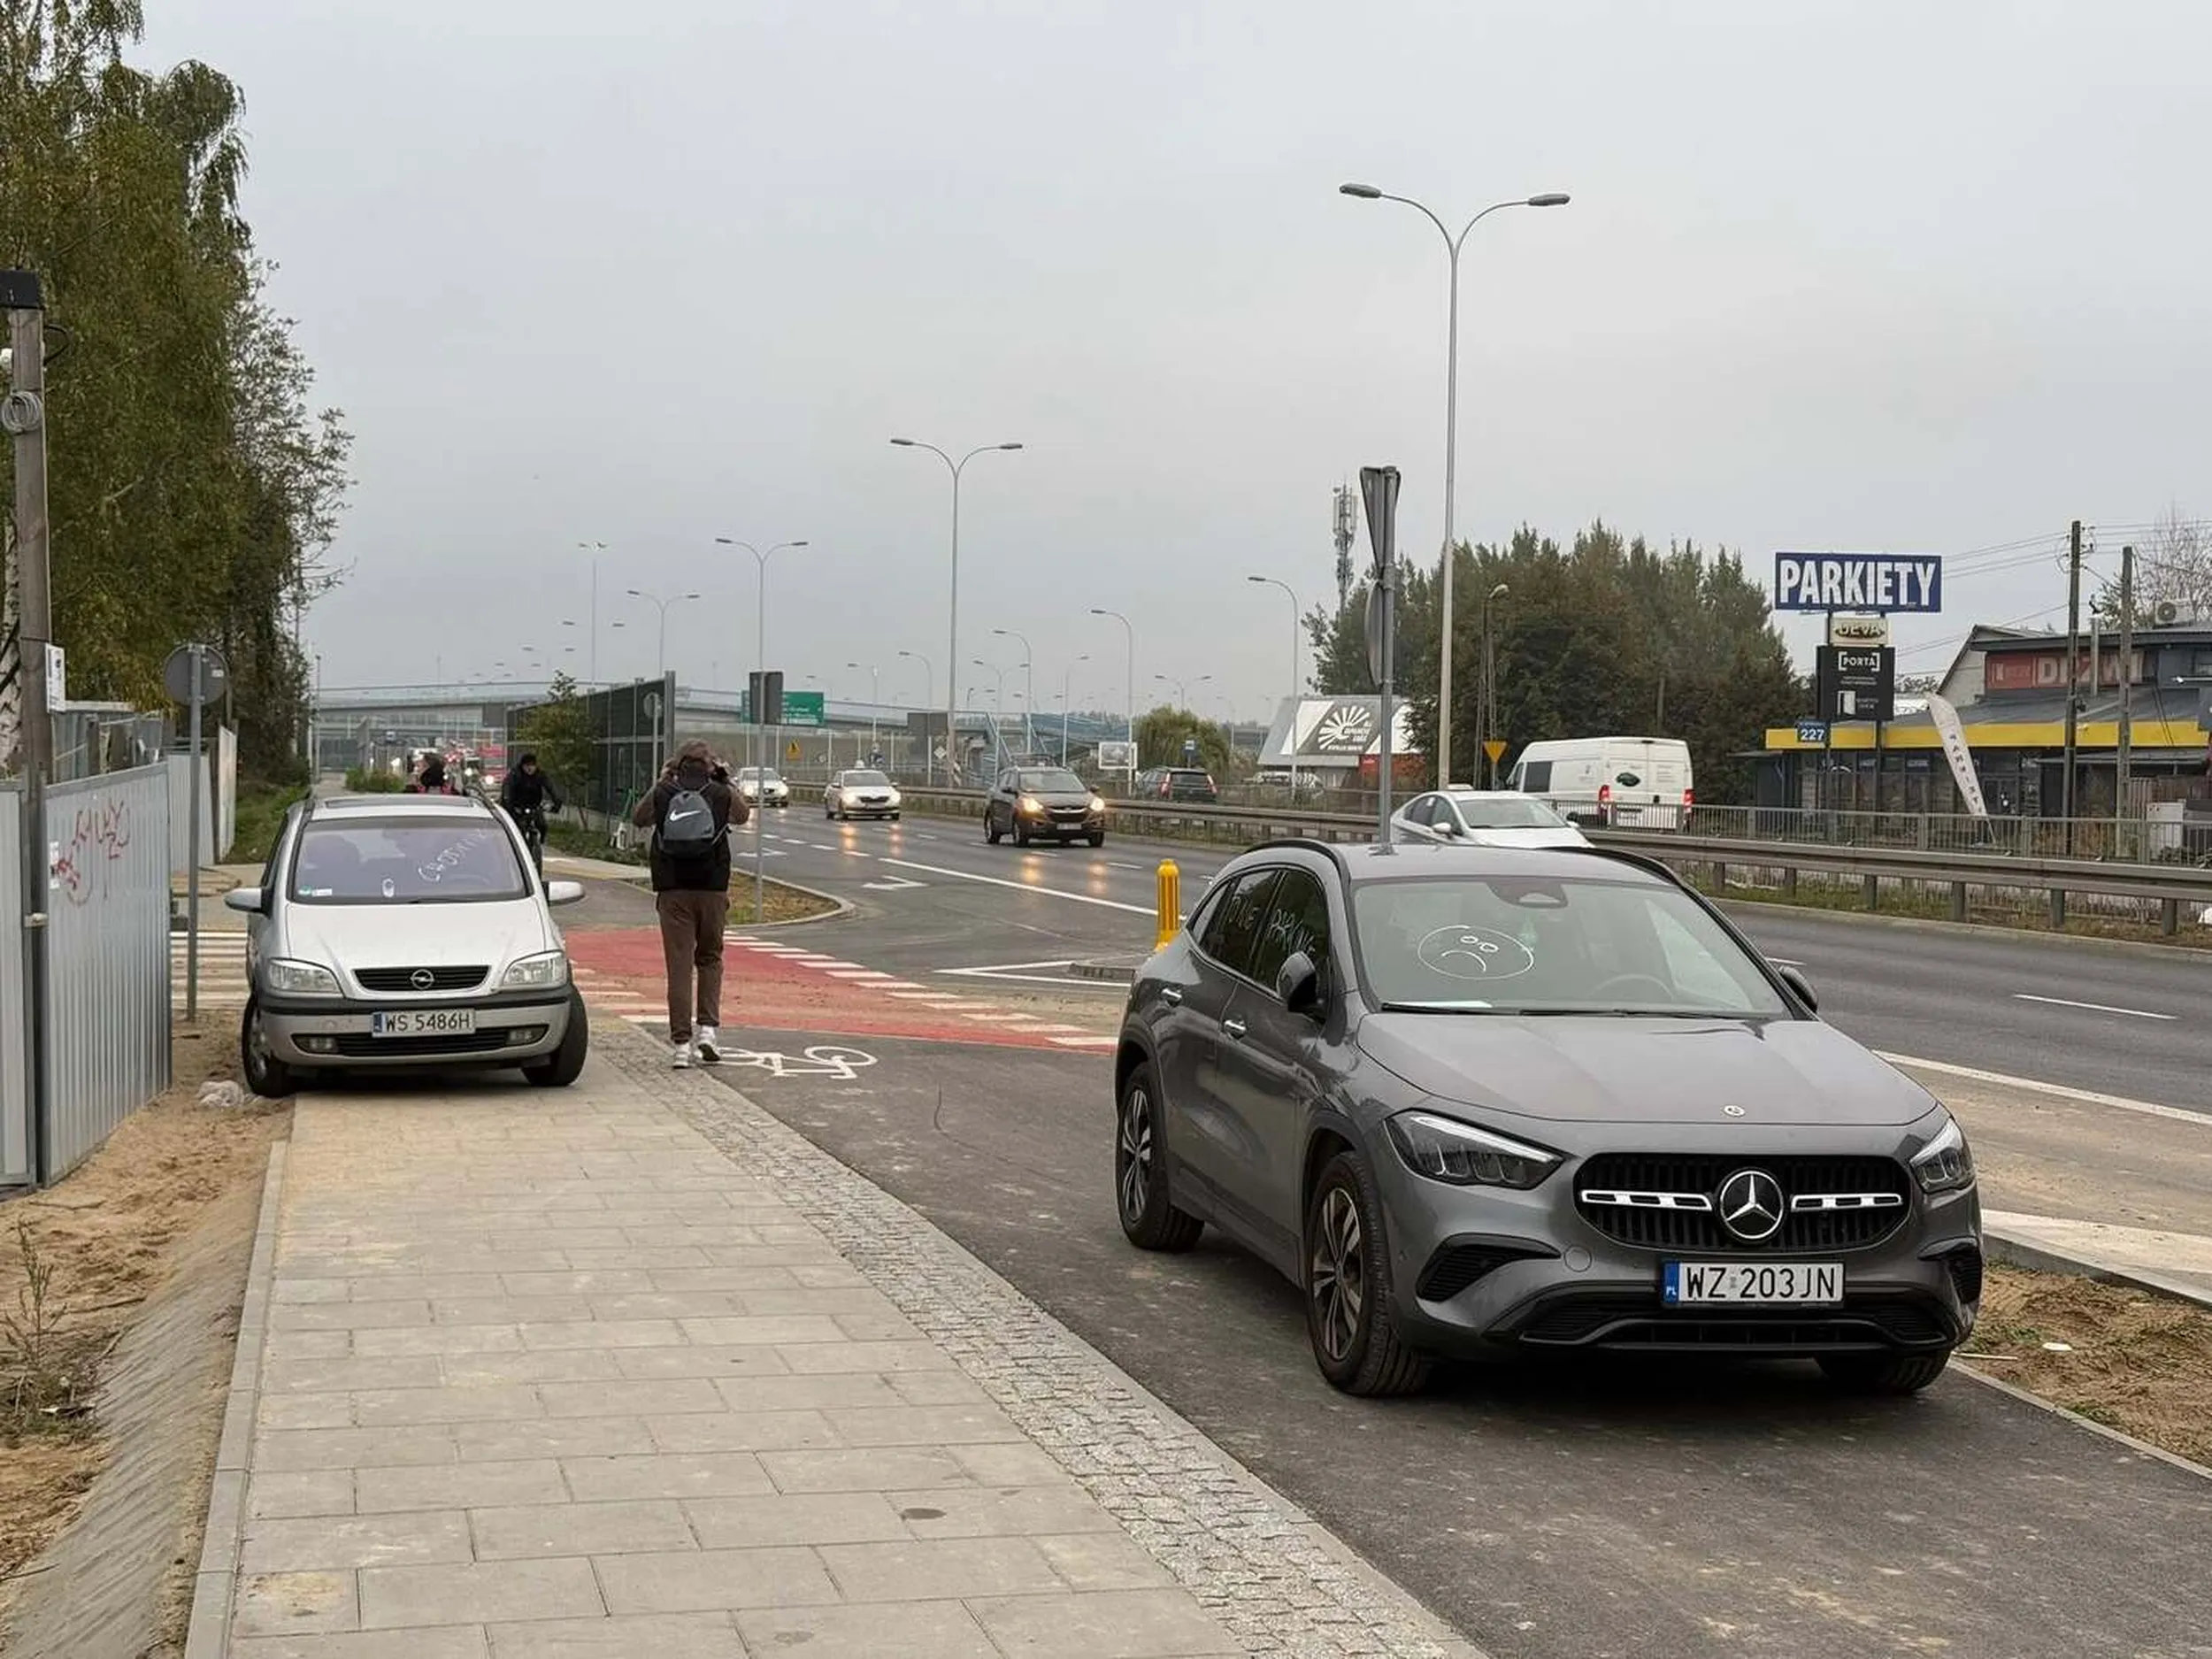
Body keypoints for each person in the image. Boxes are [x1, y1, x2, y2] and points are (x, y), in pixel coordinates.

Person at [629, 741, 747, 1067]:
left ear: (677, 763)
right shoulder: (720, 792)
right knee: (710, 958)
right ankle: (708, 1030)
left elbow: (639, 819)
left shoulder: (666, 791)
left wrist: (661, 782)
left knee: (679, 966)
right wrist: (725, 781)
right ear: (710, 765)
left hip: (673, 891)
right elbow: (743, 816)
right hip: (712, 889)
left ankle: (681, 1045)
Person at [499, 751, 565, 874]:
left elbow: (551, 789)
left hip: (533, 805)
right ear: (522, 766)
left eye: (532, 765)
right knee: (519, 830)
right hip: (516, 805)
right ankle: (517, 853)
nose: (530, 768)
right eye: (527, 766)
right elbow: (507, 791)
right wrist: (509, 806)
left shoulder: (540, 775)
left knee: (543, 825)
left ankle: (539, 844)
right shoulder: (515, 774)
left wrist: (557, 804)